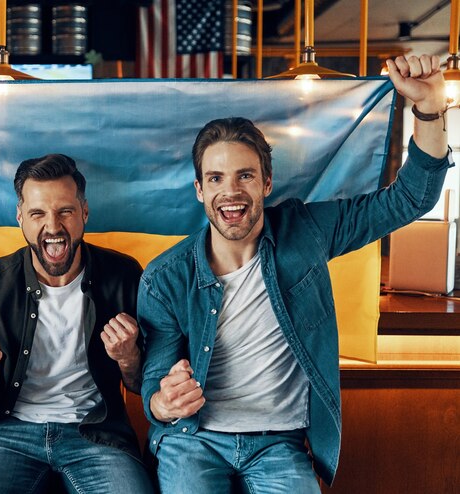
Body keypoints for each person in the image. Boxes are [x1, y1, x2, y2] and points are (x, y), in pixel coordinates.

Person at [137, 54, 452, 493]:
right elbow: (153, 380)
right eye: (215, 178)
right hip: (193, 440)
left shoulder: (306, 232)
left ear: (267, 184)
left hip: (279, 444)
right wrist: (163, 401)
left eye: (245, 176)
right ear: (199, 190)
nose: (230, 191)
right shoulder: (164, 277)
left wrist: (430, 106)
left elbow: (409, 200)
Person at [0, 154, 154, 493]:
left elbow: (141, 386)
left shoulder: (124, 276)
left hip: (97, 433)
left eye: (65, 211)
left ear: (84, 213)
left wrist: (129, 357)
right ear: (20, 218)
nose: (53, 226)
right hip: (9, 432)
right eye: (37, 213)